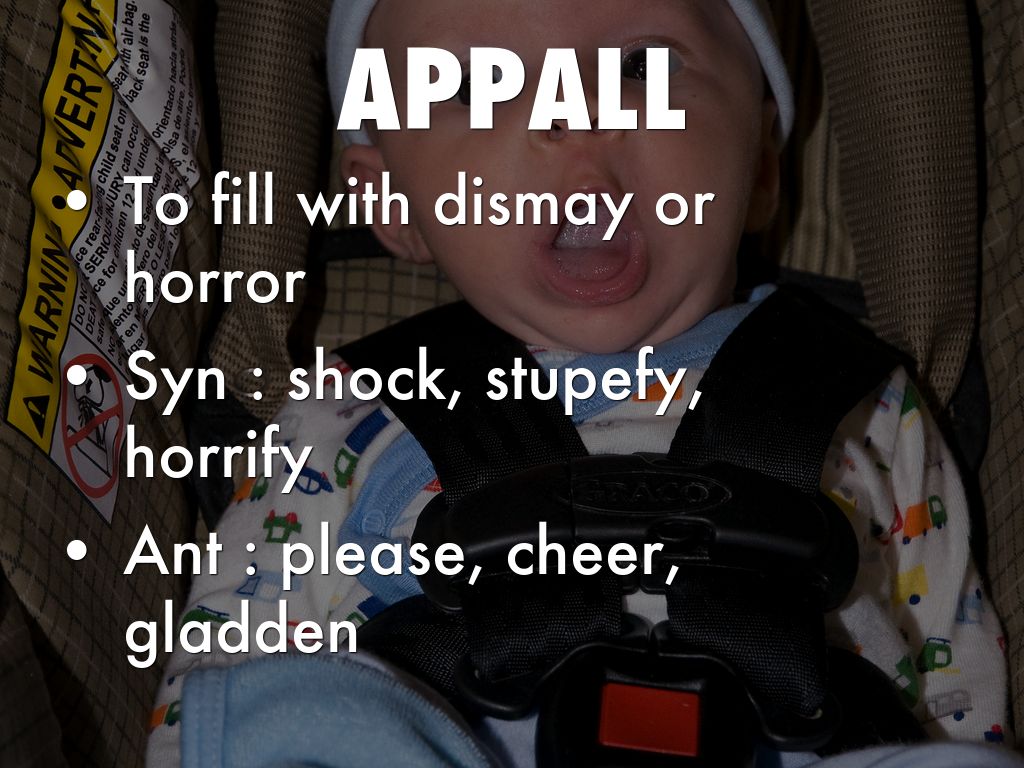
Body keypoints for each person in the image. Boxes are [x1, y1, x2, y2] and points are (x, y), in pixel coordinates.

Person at [147, 1, 1018, 765]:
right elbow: (229, 652)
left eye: (640, 67)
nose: (571, 118)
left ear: (760, 169)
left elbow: (953, 669)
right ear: (393, 203)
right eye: (479, 85)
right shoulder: (347, 406)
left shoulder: (860, 397)